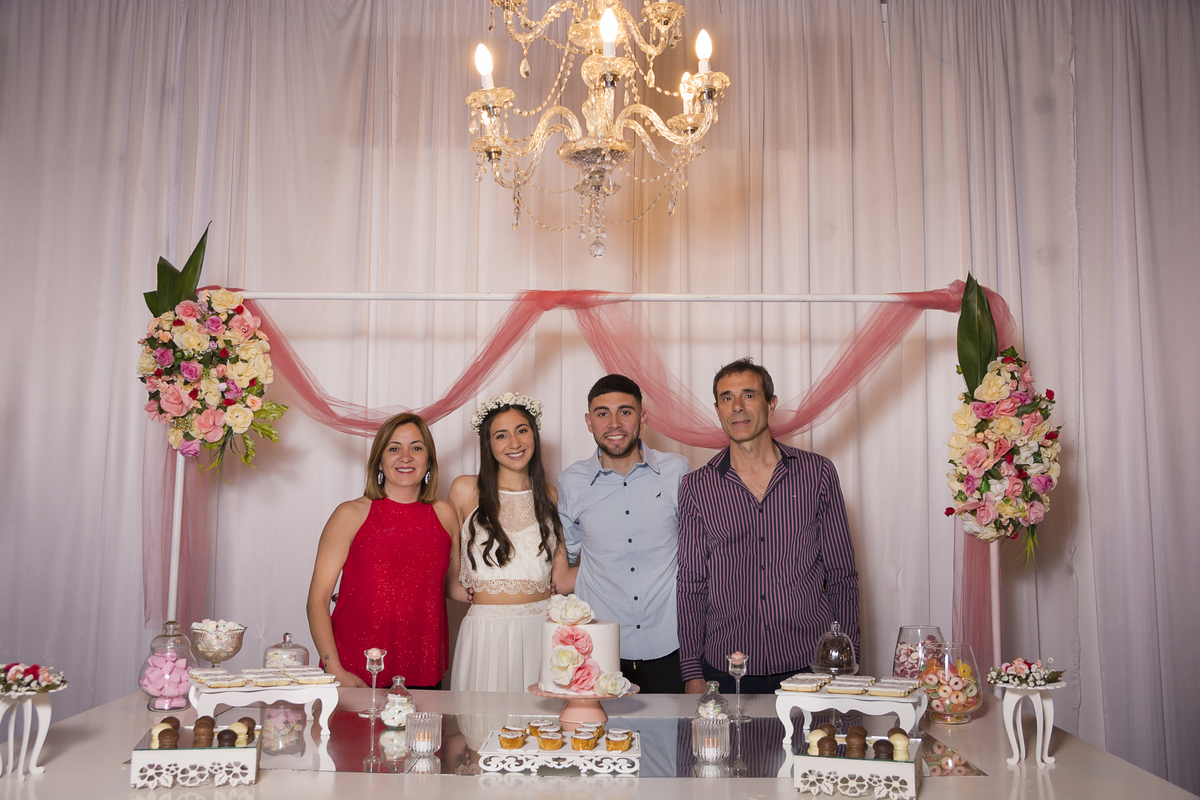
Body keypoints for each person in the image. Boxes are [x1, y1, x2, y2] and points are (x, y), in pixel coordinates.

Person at [678, 358, 860, 694]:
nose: (737, 406)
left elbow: (842, 575)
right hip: (727, 669)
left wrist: (846, 659)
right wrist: (691, 671)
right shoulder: (696, 486)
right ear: (717, 410)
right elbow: (691, 584)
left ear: (770, 404)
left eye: (748, 395)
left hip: (810, 664)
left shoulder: (817, 473)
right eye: (727, 398)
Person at [306, 413, 463, 689]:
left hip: (424, 674)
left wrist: (514, 589)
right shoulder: (350, 514)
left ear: (429, 460)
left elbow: (453, 585)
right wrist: (335, 670)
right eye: (394, 448)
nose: (406, 457)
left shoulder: (444, 514)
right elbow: (317, 601)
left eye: (416, 447)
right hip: (356, 675)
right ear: (379, 461)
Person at [557, 374, 690, 693]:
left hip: (672, 644)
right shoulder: (570, 481)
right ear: (589, 422)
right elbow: (569, 556)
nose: (614, 423)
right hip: (599, 650)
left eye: (625, 412)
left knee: (676, 727)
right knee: (601, 728)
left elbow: (699, 551)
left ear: (642, 417)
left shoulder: (678, 470)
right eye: (603, 413)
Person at [449, 393, 572, 692]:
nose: (514, 443)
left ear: (534, 435)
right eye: (501, 435)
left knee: (539, 718)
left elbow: (561, 578)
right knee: (483, 717)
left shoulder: (551, 495)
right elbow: (448, 574)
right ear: (488, 444)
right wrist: (466, 592)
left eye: (522, 430)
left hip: (541, 628)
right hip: (485, 631)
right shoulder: (465, 490)